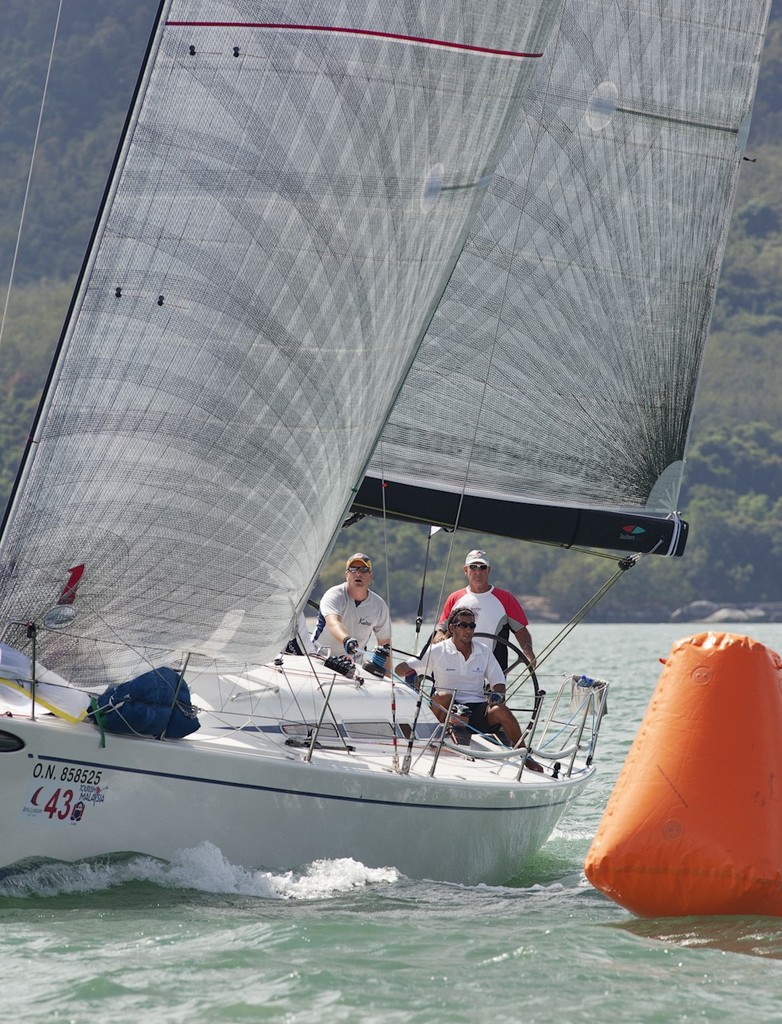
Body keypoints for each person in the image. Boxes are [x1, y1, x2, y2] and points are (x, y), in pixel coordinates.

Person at [395, 607, 543, 770]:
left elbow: (499, 682)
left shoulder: (483, 651)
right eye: (463, 625)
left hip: (476, 710)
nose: (468, 630)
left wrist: (497, 696)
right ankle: (439, 737)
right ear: (452, 628)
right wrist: (408, 671)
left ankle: (524, 756)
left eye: (472, 626)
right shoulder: (437, 651)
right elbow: (399, 669)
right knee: (444, 696)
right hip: (445, 710)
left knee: (502, 711)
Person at [433, 549, 535, 672]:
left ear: (489, 570)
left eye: (482, 567)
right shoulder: (454, 598)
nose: (478, 572)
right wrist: (440, 639)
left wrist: (527, 649)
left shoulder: (505, 598)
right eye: (473, 567)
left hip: (493, 671)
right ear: (466, 570)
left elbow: (521, 631)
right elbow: (440, 630)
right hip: (458, 670)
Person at [312, 553, 392, 674]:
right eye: (353, 569)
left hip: (353, 666)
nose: (358, 574)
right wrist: (346, 640)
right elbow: (333, 622)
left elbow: (385, 646)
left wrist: (388, 684)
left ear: (370, 576)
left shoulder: (379, 605)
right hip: (319, 657)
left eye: (364, 570)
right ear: (346, 574)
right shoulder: (334, 595)